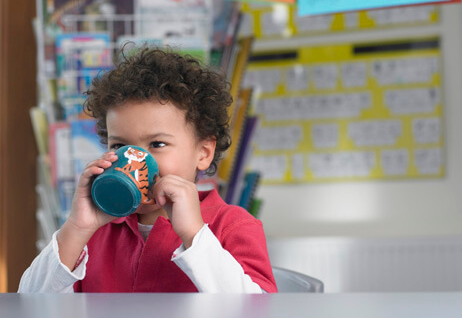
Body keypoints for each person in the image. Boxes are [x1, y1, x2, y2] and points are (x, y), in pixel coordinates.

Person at [19, 46, 278, 293]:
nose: (135, 161)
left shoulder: (232, 226)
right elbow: (30, 304)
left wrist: (194, 235)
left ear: (204, 153)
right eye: (120, 145)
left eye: (157, 144)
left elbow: (257, 309)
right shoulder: (95, 232)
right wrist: (77, 228)